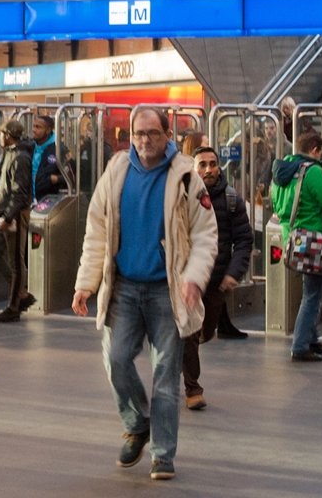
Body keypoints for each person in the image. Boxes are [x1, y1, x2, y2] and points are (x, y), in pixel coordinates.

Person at [70, 107, 217, 481]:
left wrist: (194, 278)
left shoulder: (186, 177)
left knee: (166, 378)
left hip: (166, 291)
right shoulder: (116, 172)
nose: (145, 140)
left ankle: (163, 454)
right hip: (124, 287)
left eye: (152, 133)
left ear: (168, 134)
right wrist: (85, 284)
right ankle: (138, 423)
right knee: (116, 359)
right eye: (138, 133)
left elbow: (205, 236)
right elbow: (97, 231)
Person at [180, 146, 252, 410]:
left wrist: (233, 273)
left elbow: (244, 239)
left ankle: (183, 358)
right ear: (193, 167)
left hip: (216, 280)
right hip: (187, 279)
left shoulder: (231, 199)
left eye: (212, 164)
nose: (208, 169)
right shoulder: (182, 195)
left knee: (205, 332)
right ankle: (193, 388)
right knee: (189, 333)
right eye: (202, 165)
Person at [272, 132, 322, 362]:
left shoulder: (283, 171)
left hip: (294, 238)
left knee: (313, 290)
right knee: (313, 294)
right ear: (315, 150)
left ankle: (312, 339)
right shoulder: (312, 171)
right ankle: (300, 345)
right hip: (315, 240)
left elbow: (276, 204)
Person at [0, 120, 38, 323]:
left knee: (15, 260)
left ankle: (14, 306)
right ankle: (21, 293)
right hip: (6, 213)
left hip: (14, 215)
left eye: (2, 133)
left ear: (8, 136)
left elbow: (19, 193)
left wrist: (8, 217)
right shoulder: (11, 154)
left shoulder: (20, 157)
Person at [32, 114, 66, 199]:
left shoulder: (58, 148)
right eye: (34, 126)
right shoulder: (30, 146)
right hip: (29, 199)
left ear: (48, 130)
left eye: (38, 127)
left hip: (48, 199)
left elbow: (71, 176)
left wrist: (55, 179)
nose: (34, 130)